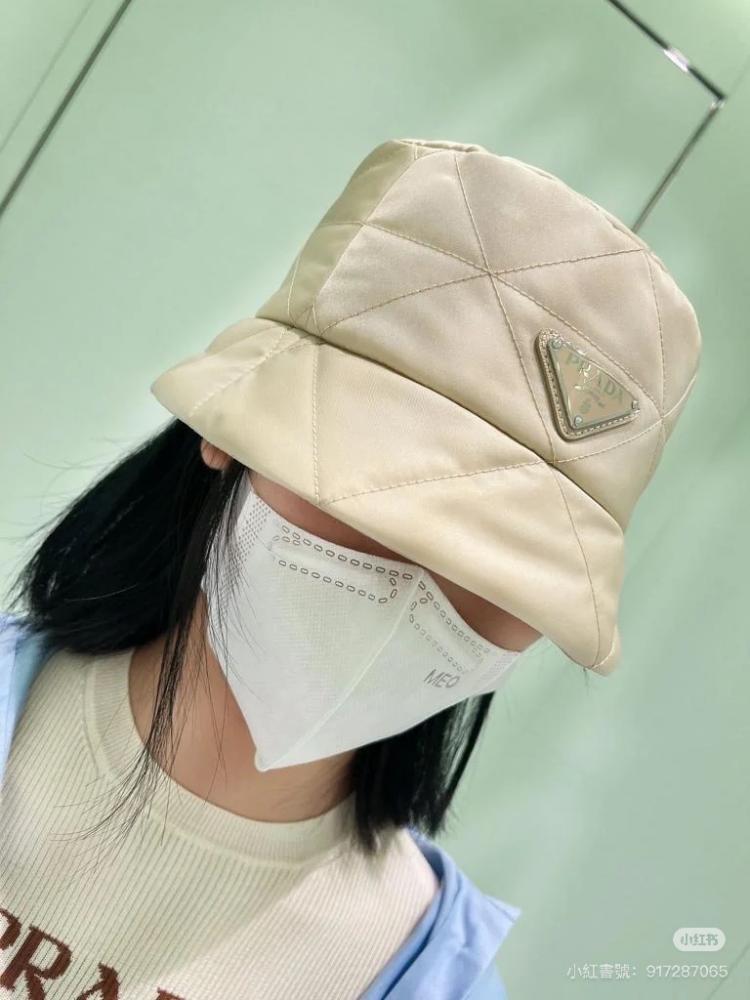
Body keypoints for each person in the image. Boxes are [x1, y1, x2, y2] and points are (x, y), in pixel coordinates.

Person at [0, 137, 701, 999]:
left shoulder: (422, 970)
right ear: (227, 427)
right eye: (383, 482)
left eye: (510, 553)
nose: (424, 578)